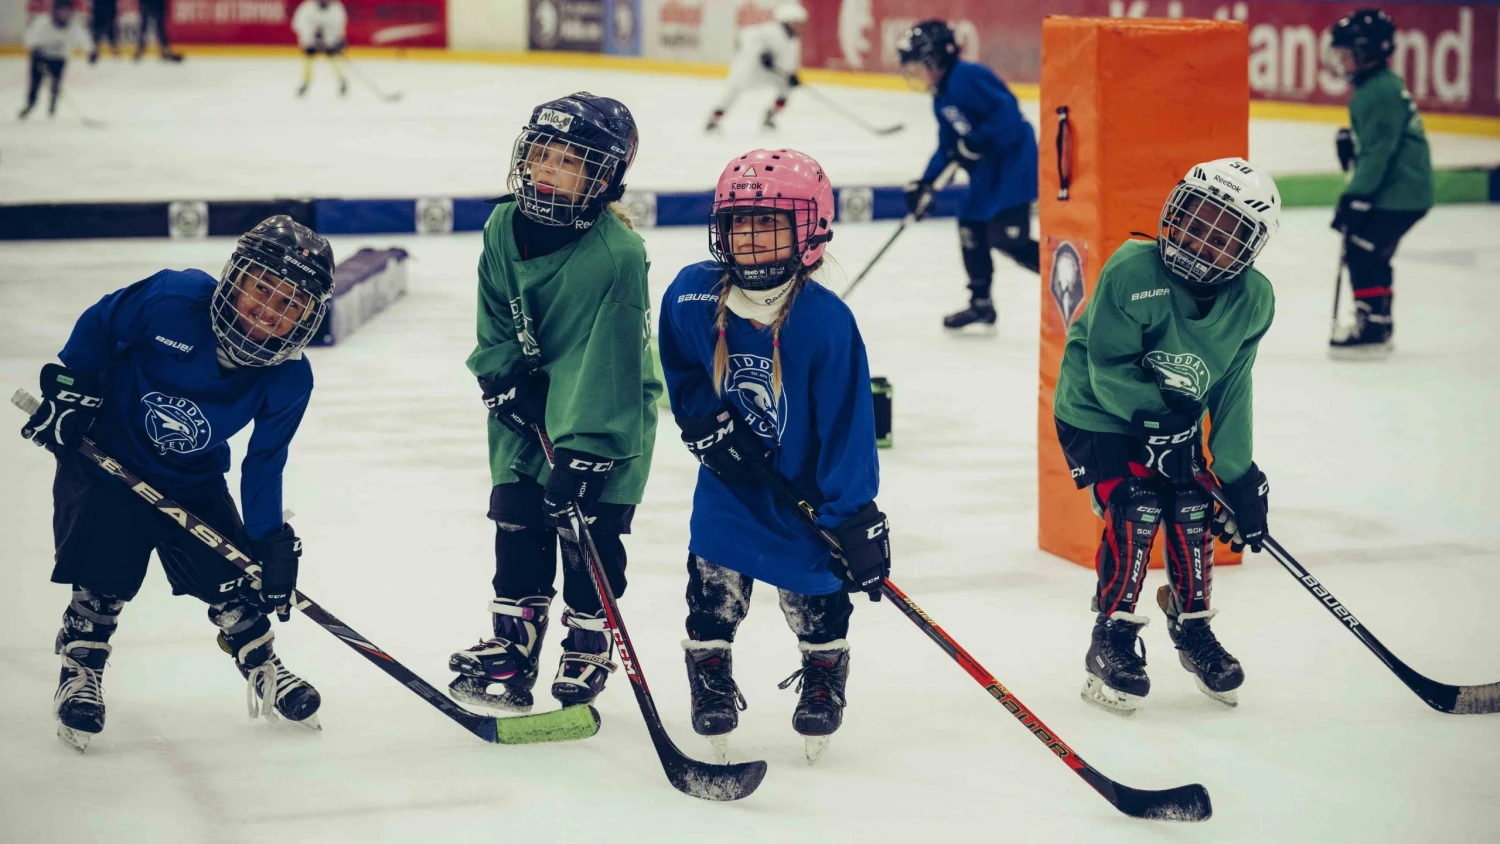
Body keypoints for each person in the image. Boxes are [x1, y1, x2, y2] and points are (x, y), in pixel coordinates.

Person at [20, 216, 335, 751]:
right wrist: (70, 391)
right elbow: (101, 325)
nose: (268, 310)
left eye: (289, 305)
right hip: (107, 463)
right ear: (236, 277)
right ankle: (80, 669)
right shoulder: (173, 298)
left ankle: (263, 663)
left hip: (192, 478)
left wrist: (269, 541)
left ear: (306, 319)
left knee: (235, 579)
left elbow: (264, 463)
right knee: (104, 578)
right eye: (262, 288)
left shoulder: (288, 378)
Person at [658, 148, 890, 764]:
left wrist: (853, 515)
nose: (750, 238)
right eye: (739, 222)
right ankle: (709, 673)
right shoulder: (692, 296)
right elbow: (680, 363)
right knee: (712, 583)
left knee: (816, 590)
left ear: (809, 230)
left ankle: (823, 672)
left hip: (806, 495)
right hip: (731, 486)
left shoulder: (825, 323)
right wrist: (702, 421)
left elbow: (848, 426)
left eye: (768, 222)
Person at [447, 93, 661, 715]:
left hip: (606, 409)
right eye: (542, 155)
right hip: (528, 390)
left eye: (570, 163)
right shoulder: (502, 225)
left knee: (588, 526)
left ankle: (588, 640)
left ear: (605, 178)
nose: (548, 171)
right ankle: (513, 648)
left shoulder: (617, 257)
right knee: (516, 516)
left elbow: (613, 361)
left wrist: (585, 450)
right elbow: (492, 314)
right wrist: (501, 377)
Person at [1052, 158, 1279, 715]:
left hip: (1171, 420)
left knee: (1197, 503)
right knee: (1137, 502)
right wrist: (1159, 423)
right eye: (1196, 223)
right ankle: (1112, 636)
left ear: (1247, 253)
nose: (1201, 244)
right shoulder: (1133, 269)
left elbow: (1231, 388)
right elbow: (1107, 369)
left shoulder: (1254, 300)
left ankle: (1193, 626)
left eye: (1222, 239)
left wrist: (1239, 478)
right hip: (1097, 411)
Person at [898, 19, 1040, 331]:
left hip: (1013, 164)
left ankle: (1079, 282)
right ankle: (981, 304)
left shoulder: (966, 77)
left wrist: (981, 139)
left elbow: (1009, 115)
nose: (916, 74)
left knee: (1006, 237)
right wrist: (926, 181)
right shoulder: (941, 96)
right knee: (971, 225)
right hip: (988, 169)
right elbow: (948, 145)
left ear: (937, 58)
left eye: (919, 65)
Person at [1329, 8, 1433, 359]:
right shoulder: (1381, 85)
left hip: (1398, 193)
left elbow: (1379, 152)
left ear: (1367, 53)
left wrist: (1356, 196)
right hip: (1405, 190)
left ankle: (1372, 326)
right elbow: (1376, 147)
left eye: (1346, 54)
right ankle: (1379, 321)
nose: (1341, 61)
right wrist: (1352, 156)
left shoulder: (1377, 92)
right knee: (1372, 251)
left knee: (1361, 250)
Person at [704, 3, 807, 132]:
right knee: (732, 93)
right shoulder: (769, 31)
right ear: (786, 21)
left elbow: (788, 61)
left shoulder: (793, 39)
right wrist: (761, 53)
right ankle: (714, 120)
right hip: (749, 70)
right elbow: (747, 36)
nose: (799, 26)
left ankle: (770, 117)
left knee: (785, 89)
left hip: (769, 73)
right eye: (796, 23)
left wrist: (791, 75)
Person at [20, 0, 91, 120]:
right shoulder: (42, 23)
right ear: (55, 11)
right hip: (40, 56)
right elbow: (30, 37)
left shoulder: (74, 26)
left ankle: (52, 105)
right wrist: (35, 48)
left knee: (56, 82)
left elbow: (83, 38)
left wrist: (90, 51)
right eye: (62, 11)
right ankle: (31, 103)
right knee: (35, 82)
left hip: (59, 58)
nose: (65, 14)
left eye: (68, 11)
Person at [291, 0, 349, 97]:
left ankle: (342, 81)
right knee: (309, 59)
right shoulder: (307, 7)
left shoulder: (336, 8)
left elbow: (339, 25)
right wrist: (311, 33)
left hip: (329, 40)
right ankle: (305, 82)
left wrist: (339, 39)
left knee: (333, 59)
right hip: (310, 40)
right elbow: (298, 24)